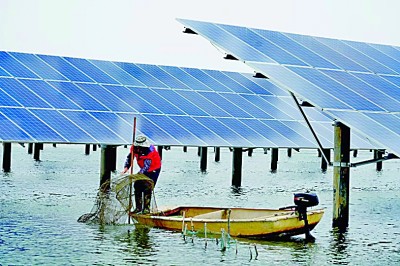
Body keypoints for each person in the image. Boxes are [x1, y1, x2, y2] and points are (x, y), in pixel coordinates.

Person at [121, 135, 162, 214]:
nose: (139, 149)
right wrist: (126, 167)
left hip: (154, 169)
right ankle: (138, 208)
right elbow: (130, 157)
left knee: (147, 186)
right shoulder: (134, 148)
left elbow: (147, 167)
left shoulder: (150, 151)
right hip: (143, 167)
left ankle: (146, 208)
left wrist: (138, 174)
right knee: (137, 185)